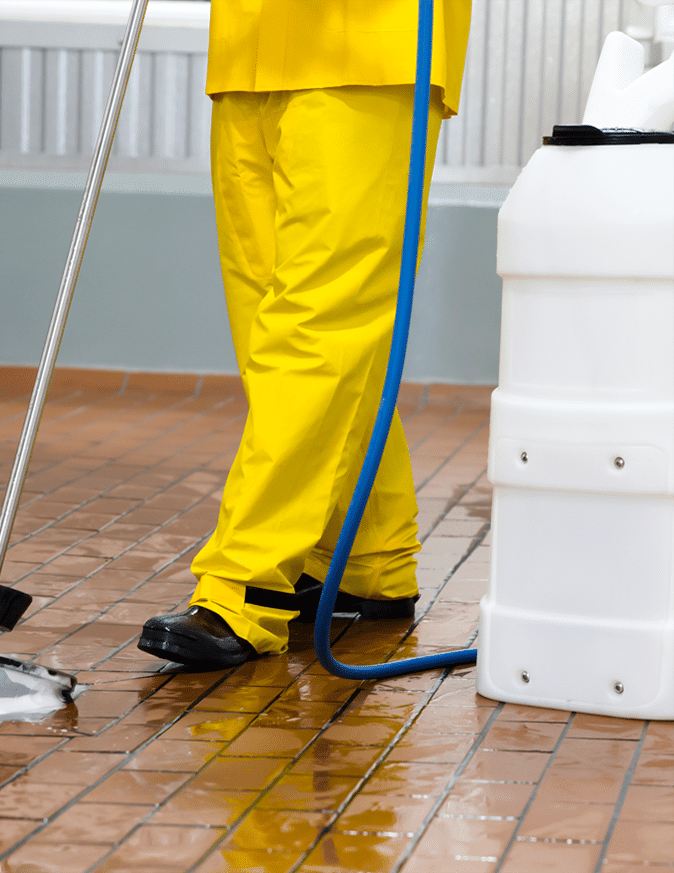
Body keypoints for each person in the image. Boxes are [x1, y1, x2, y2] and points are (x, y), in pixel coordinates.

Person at [138, 1, 473, 669]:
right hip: (248, 52)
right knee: (272, 326)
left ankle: (245, 584)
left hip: (370, 44)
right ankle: (366, 562)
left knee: (318, 325)